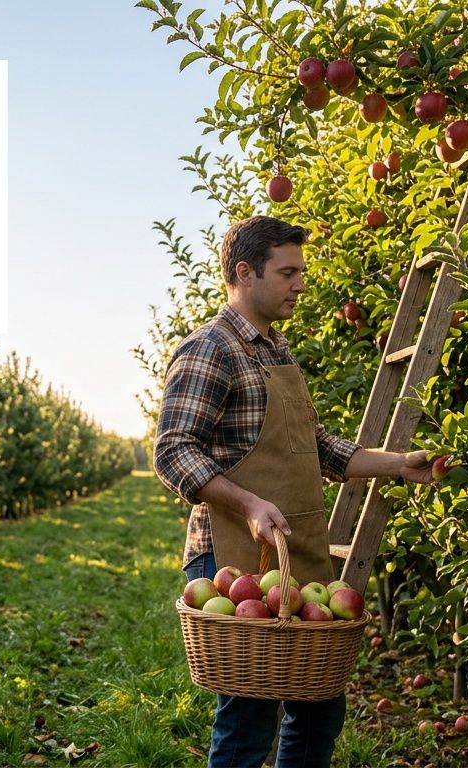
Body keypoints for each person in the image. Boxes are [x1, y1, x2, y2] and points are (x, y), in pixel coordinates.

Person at [153, 215, 435, 768]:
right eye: (288, 272)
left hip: (296, 551)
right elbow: (173, 451)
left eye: (300, 272)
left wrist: (401, 464)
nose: (300, 284)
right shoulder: (210, 349)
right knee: (249, 715)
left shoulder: (278, 352)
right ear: (245, 273)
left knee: (319, 709)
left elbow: (321, 447)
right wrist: (250, 504)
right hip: (233, 554)